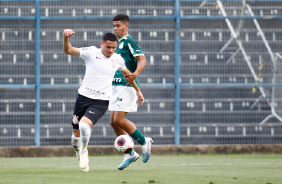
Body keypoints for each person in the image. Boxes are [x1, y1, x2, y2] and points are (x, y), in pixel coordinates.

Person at [63, 29, 144, 172]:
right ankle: (78, 149)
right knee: (76, 135)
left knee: (83, 125)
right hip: (83, 98)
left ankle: (84, 151)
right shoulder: (91, 52)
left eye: (114, 47)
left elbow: (128, 75)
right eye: (108, 47)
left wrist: (137, 90)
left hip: (101, 101)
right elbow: (68, 50)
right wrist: (65, 37)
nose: (111, 50)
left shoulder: (117, 59)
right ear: (101, 44)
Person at [109, 14, 153, 170]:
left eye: (118, 25)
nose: (115, 28)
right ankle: (130, 153)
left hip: (126, 86)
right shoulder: (116, 44)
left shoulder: (129, 41)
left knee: (119, 120)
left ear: (126, 26)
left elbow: (143, 60)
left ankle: (143, 141)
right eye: (114, 26)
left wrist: (135, 75)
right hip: (115, 86)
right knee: (113, 122)